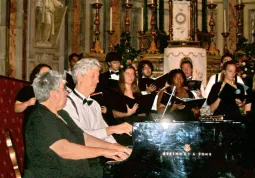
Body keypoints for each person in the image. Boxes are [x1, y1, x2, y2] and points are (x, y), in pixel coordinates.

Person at [24, 71, 131, 177]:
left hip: (81, 171)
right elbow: (65, 150)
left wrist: (116, 148)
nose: (67, 93)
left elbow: (85, 138)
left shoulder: (62, 113)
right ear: (53, 94)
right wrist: (103, 152)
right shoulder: (40, 117)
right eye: (63, 89)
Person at [63, 58, 132, 144]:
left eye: (98, 77)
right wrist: (114, 129)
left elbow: (107, 136)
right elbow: (82, 137)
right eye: (93, 76)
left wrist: (120, 149)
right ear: (80, 77)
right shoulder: (67, 103)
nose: (98, 81)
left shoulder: (95, 104)